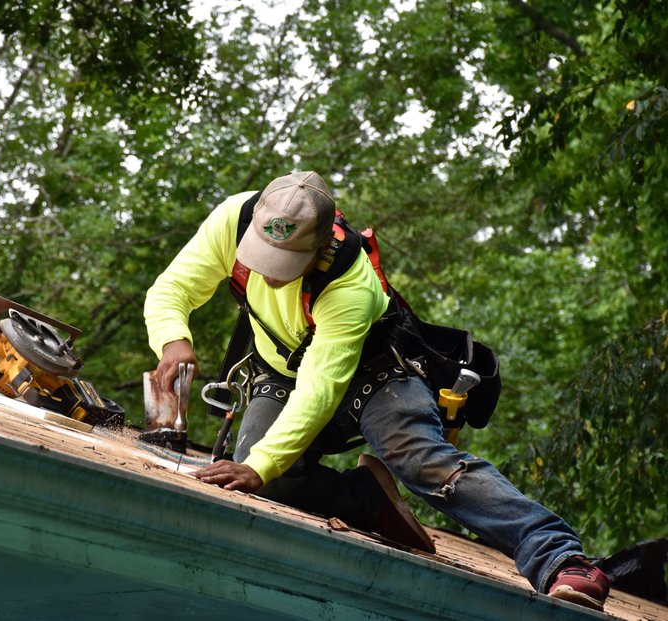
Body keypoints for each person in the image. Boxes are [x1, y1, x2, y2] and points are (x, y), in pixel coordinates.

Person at [143, 171, 611, 611]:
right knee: (262, 474)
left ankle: (560, 558)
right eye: (262, 257)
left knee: (421, 460)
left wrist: (259, 466)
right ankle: (366, 498)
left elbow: (320, 389)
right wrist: (173, 339)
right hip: (284, 371)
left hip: (377, 372)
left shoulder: (349, 285)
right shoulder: (234, 218)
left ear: (322, 245)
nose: (267, 274)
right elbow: (173, 288)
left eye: (284, 266)